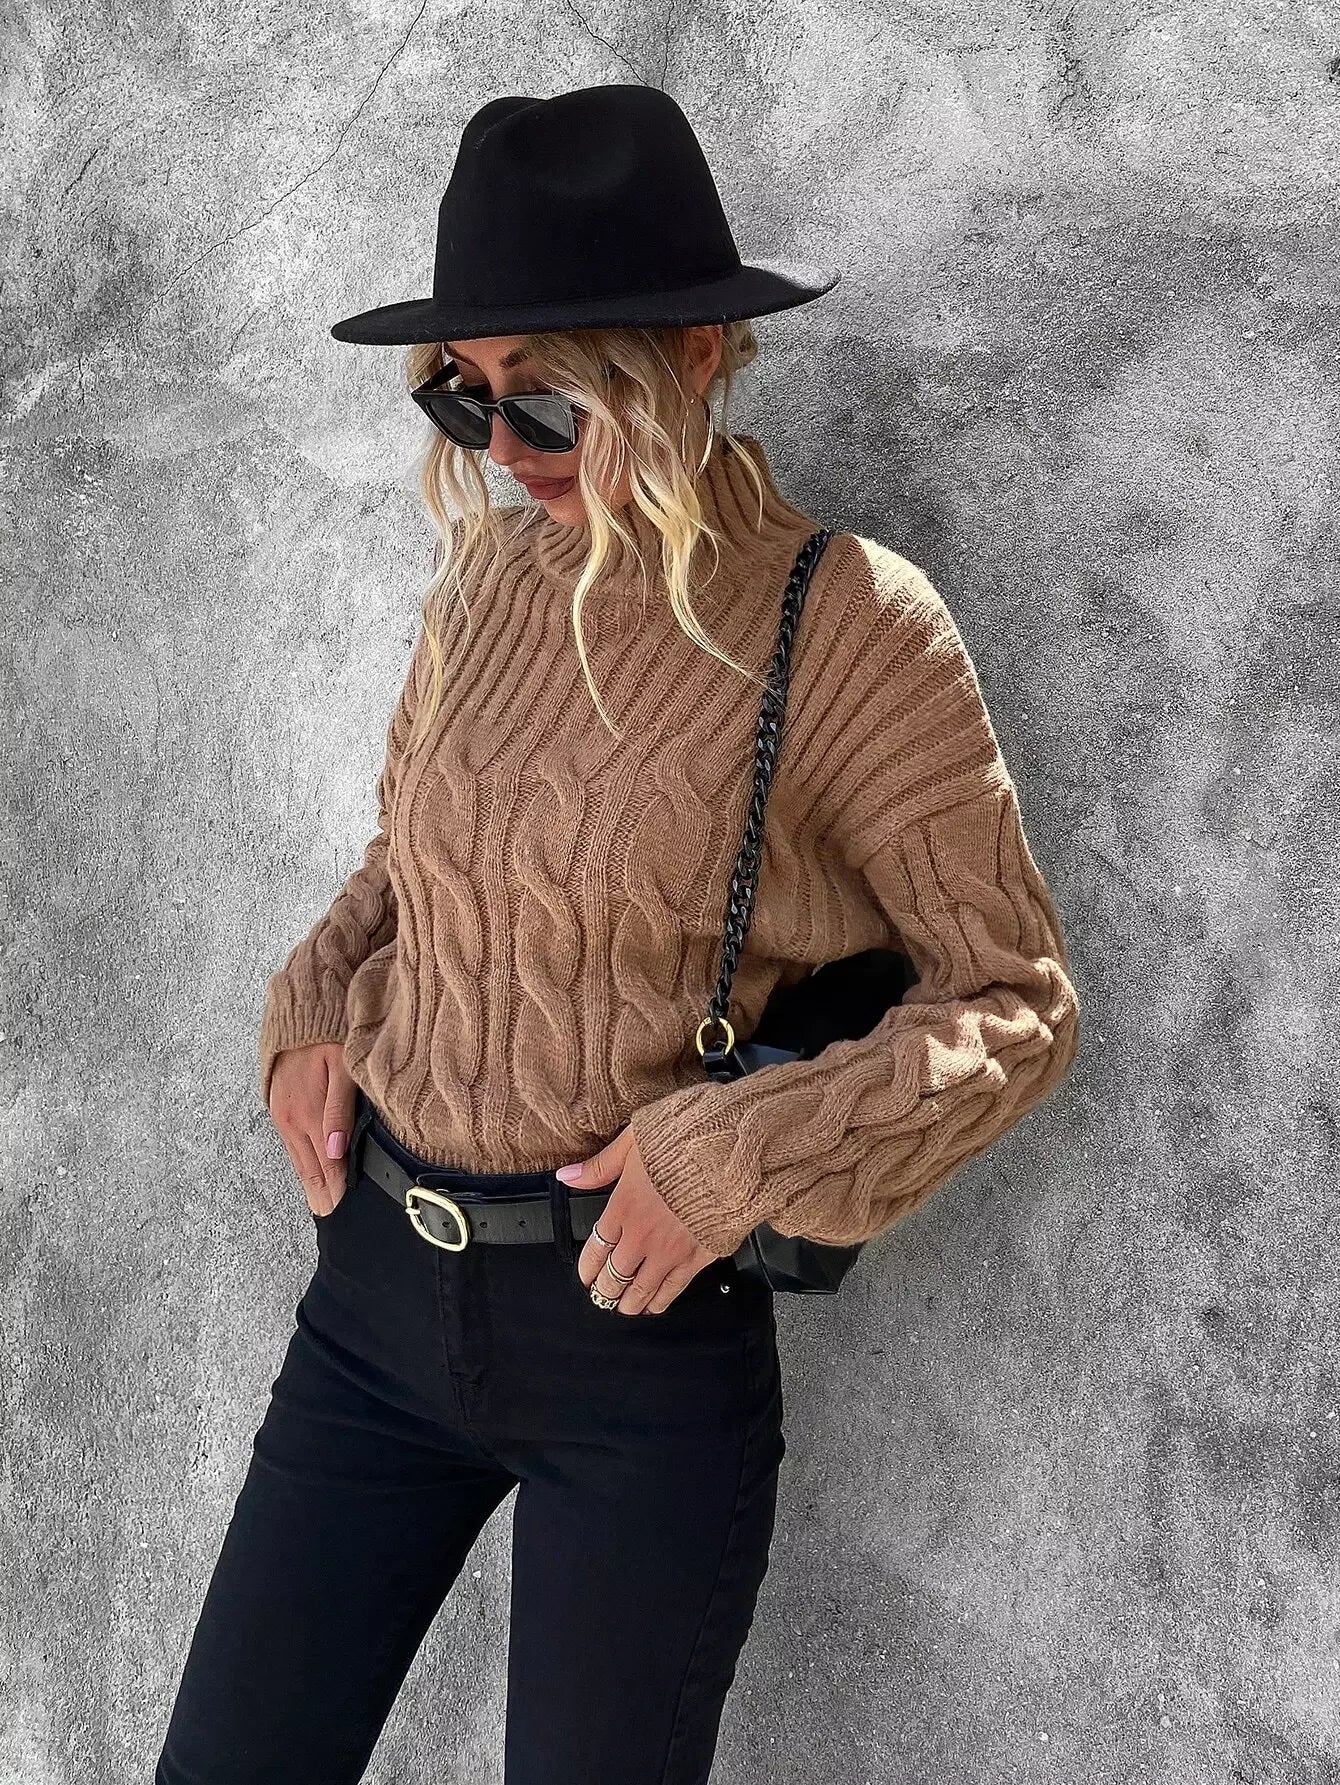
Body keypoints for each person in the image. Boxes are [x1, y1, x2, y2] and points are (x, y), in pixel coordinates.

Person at [154, 85, 1081, 1784]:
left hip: (634, 1351)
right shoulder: (488, 586)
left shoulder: (852, 629)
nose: (502, 453)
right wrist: (315, 997)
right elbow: (414, 861)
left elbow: (1016, 1003)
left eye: (549, 399)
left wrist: (741, 1153)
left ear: (698, 358)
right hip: (372, 1308)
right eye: (461, 396)